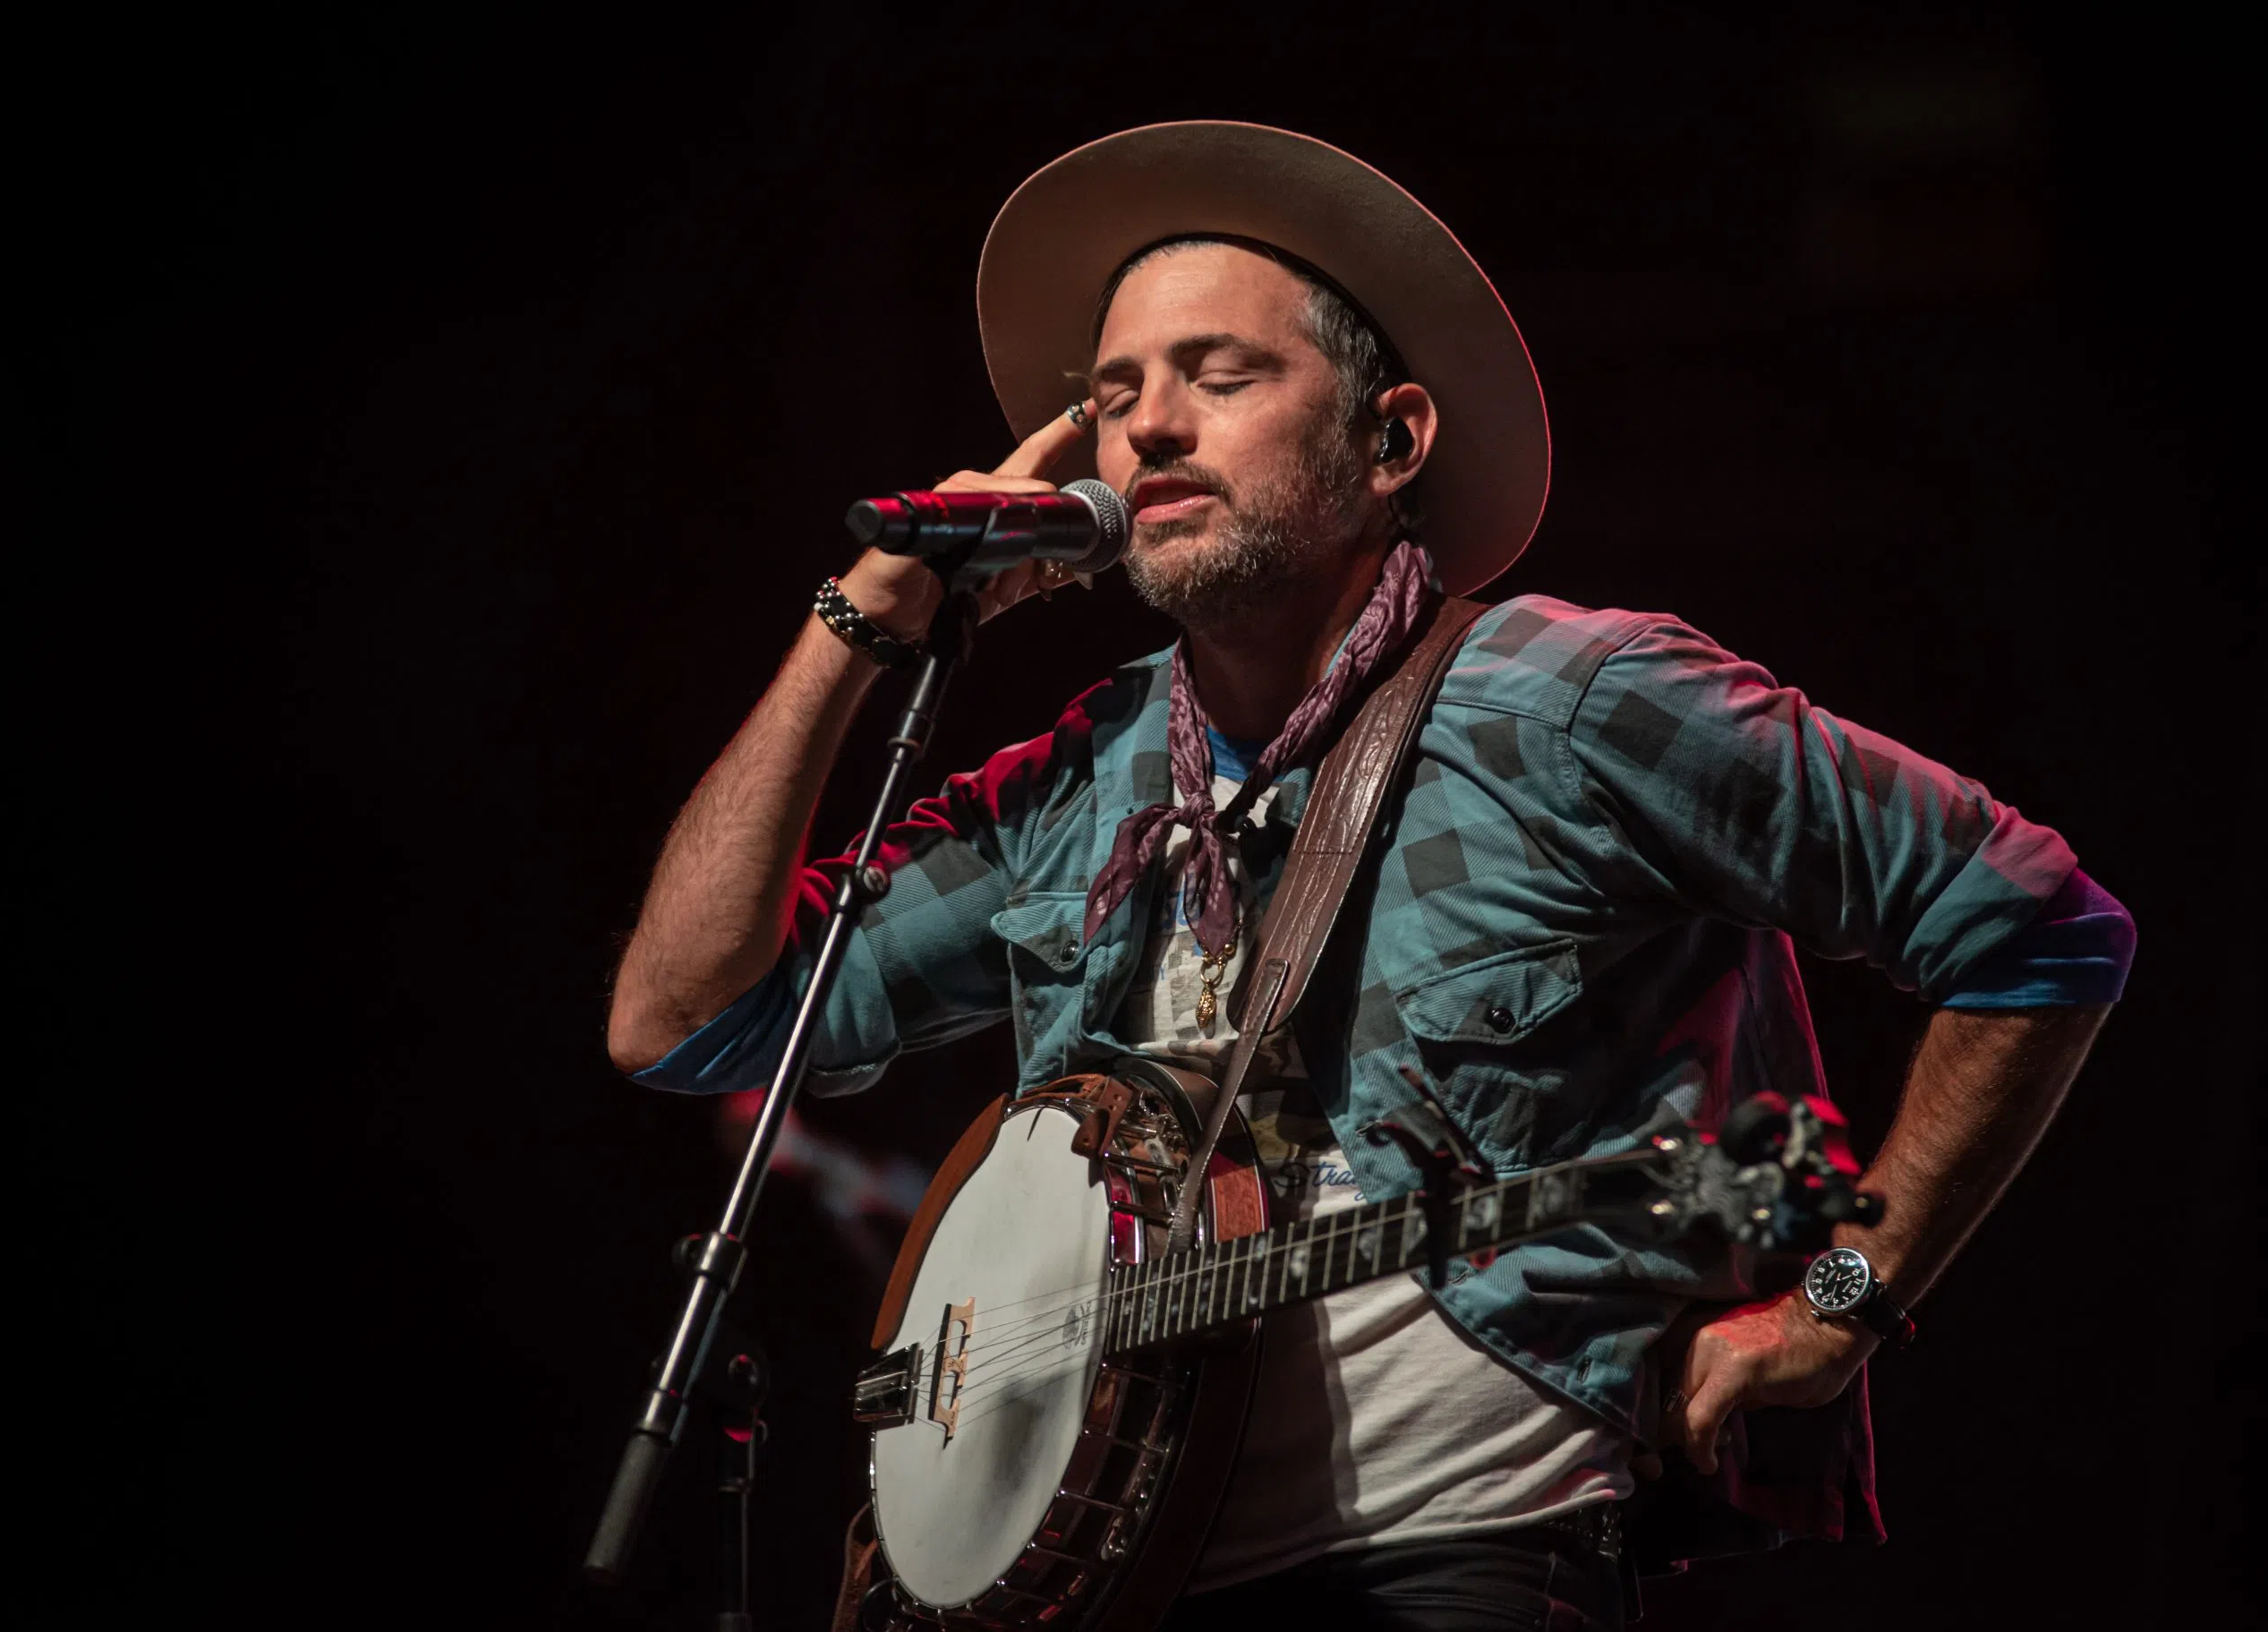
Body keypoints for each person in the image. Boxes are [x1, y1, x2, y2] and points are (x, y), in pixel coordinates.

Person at [605, 124, 2133, 1630]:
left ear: (1391, 440)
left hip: (1462, 1554)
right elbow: (687, 1024)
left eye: (1220, 376)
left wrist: (1839, 1306)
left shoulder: (1572, 702)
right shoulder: (1080, 781)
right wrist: (856, 624)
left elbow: (2036, 924)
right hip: (1117, 1583)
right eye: (1113, 396)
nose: (1148, 430)